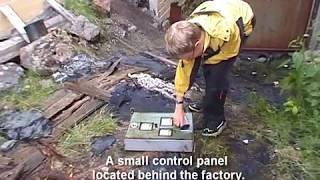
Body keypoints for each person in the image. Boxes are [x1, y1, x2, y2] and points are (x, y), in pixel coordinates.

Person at [164, 0, 255, 136]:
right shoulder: (190, 34)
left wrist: (210, 64)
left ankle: (217, 120)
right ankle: (208, 101)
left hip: (242, 21)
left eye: (188, 56)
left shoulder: (226, 32)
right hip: (219, 12)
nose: (187, 60)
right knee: (206, 68)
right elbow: (184, 71)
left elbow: (230, 53)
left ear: (197, 45)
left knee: (217, 78)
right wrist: (179, 105)